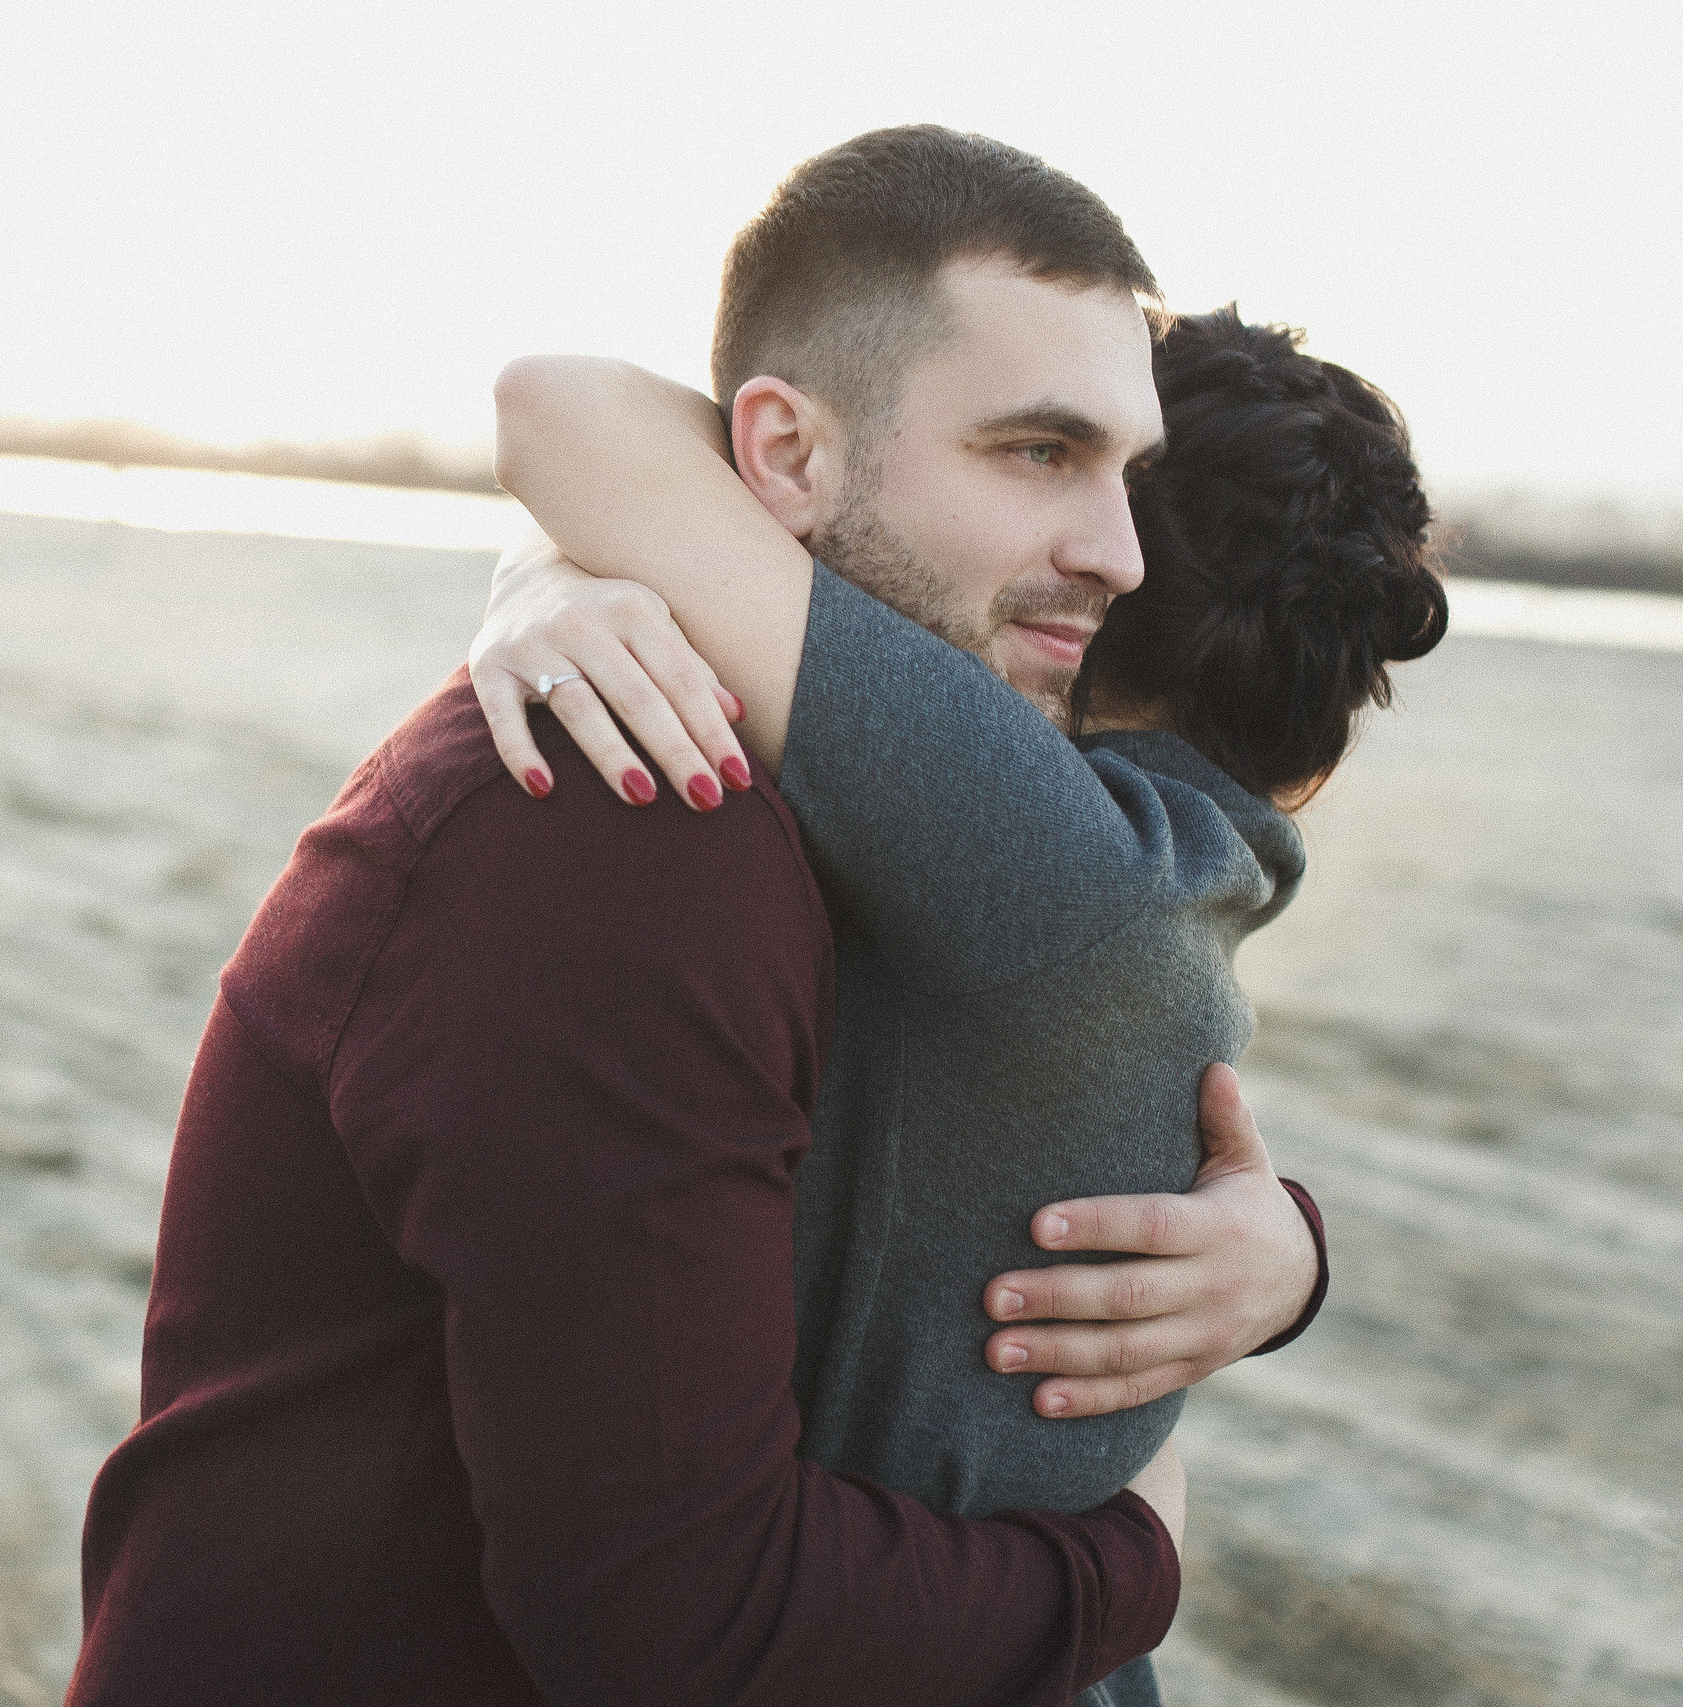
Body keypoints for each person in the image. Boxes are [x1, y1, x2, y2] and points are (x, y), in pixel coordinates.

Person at [67, 127, 1333, 1707]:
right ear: (785, 460)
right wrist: (1128, 1563)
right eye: (1035, 452)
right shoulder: (628, 821)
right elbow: (683, 1627)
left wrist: (1285, 1246)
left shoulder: (869, 815)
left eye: (1126, 475)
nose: (1119, 555)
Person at [469, 280, 1443, 1707]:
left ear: (1093, 594)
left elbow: (558, 405)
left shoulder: (1025, 834)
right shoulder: (1188, 884)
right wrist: (548, 576)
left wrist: (548, 570)